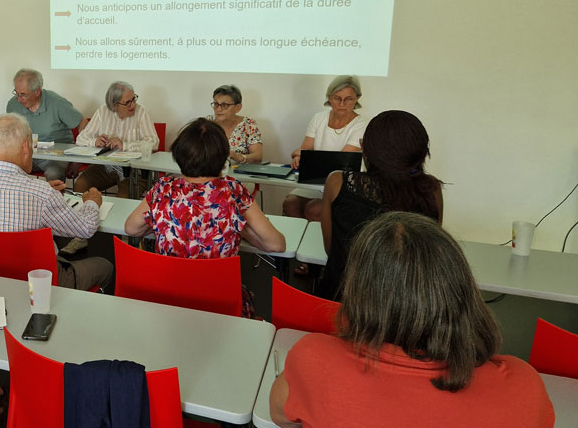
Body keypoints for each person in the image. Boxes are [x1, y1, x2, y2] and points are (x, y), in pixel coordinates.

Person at [270, 212, 555, 427]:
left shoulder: (313, 360)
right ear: (461, 288)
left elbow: (279, 414)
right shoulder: (524, 386)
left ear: (359, 292)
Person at [124, 119, 285, 317]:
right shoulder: (232, 190)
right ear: (222, 157)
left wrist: (162, 220)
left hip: (167, 299)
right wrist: (241, 229)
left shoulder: (164, 188)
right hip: (221, 303)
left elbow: (131, 228)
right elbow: (276, 244)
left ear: (179, 155)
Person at [0, 113, 114, 291]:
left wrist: (44, 191)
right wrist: (92, 202)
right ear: (26, 147)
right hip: (35, 285)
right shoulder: (41, 194)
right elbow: (86, 228)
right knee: (105, 266)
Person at [317, 110, 443, 300]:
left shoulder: (337, 183)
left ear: (364, 147)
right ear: (420, 152)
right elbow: (429, 252)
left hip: (343, 301)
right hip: (408, 307)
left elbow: (331, 250)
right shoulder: (431, 189)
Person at [284, 75, 367, 222]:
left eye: (348, 99)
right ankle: (300, 244)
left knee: (314, 209)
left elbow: (338, 162)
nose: (342, 103)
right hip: (316, 180)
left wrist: (303, 154)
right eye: (337, 98)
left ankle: (322, 244)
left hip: (344, 183)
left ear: (357, 98)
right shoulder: (319, 118)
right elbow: (305, 150)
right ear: (329, 97)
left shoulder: (361, 124)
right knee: (290, 203)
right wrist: (298, 157)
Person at [73, 81, 158, 197]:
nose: (133, 105)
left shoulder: (141, 111)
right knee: (81, 185)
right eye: (128, 102)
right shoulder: (102, 111)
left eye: (134, 99)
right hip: (105, 167)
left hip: (134, 170)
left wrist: (125, 145)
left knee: (125, 199)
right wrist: (94, 141)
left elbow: (153, 142)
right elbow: (81, 138)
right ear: (114, 104)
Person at [6, 68, 84, 181]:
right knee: (7, 170)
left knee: (53, 174)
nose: (19, 99)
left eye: (23, 95)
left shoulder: (57, 103)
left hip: (55, 157)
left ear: (37, 92)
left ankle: (54, 198)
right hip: (27, 155)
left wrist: (77, 160)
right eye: (16, 93)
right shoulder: (13, 105)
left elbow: (83, 123)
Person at [207, 84, 263, 164]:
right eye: (216, 104)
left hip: (239, 173)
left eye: (225, 105)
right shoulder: (206, 123)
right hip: (210, 173)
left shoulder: (248, 124)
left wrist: (238, 156)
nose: (219, 109)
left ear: (238, 107)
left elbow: (258, 156)